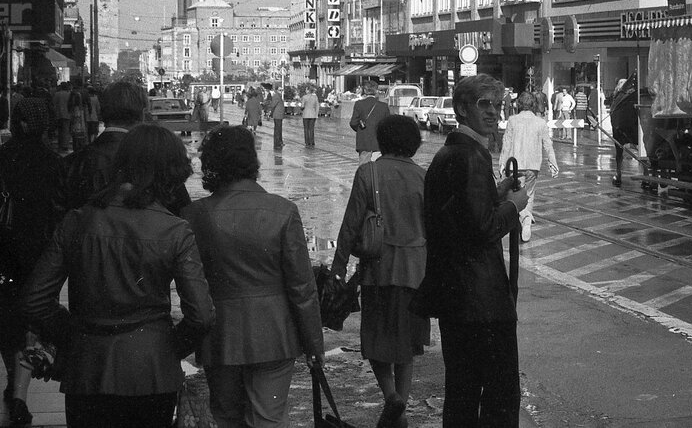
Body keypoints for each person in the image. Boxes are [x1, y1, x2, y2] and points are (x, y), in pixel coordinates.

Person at [21, 125, 214, 428]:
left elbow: (35, 299)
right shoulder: (175, 230)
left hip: (87, 368)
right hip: (151, 371)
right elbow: (202, 315)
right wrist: (166, 346)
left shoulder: (77, 221)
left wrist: (72, 334)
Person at [183, 125, 324, 428]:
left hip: (220, 336)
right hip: (274, 334)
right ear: (252, 161)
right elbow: (302, 288)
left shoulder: (194, 215)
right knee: (268, 418)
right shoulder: (283, 211)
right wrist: (314, 344)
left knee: (227, 417)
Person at [416, 75, 529, 427]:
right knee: (499, 396)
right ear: (462, 108)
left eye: (497, 104)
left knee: (462, 394)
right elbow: (482, 227)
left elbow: (461, 214)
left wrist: (496, 192)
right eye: (484, 105)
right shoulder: (471, 156)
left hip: (456, 300)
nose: (494, 112)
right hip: (482, 303)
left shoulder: (448, 154)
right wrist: (514, 206)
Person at [331, 115, 429, 428]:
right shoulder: (423, 177)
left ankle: (391, 396)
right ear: (414, 143)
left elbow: (350, 225)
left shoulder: (368, 173)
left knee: (376, 339)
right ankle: (401, 406)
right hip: (416, 271)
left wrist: (338, 267)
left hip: (378, 270)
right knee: (407, 344)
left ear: (381, 141)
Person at [0, 99, 64, 428]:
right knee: (33, 323)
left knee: (8, 323)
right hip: (40, 258)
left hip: (4, 256)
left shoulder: (2, 157)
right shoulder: (53, 163)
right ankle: (20, 392)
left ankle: (14, 384)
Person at [63, 81, 191, 215]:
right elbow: (183, 212)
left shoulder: (72, 163)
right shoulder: (160, 158)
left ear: (101, 113)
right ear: (142, 114)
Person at [498, 92, 560, 243]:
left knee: (514, 194)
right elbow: (548, 145)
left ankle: (525, 216)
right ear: (533, 105)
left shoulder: (513, 120)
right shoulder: (540, 122)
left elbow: (506, 143)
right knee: (529, 195)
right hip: (533, 166)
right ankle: (526, 222)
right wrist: (553, 163)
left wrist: (501, 163)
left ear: (519, 104)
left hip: (515, 165)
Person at [350, 82, 390, 164]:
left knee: (364, 170)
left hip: (364, 143)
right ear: (376, 91)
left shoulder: (359, 104)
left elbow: (353, 123)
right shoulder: (384, 106)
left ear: (364, 90)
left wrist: (361, 129)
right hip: (379, 144)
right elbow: (388, 126)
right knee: (378, 170)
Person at [262, 82, 285, 150]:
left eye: (282, 90)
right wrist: (269, 112)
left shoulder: (278, 95)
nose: (281, 91)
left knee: (279, 129)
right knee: (277, 130)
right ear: (276, 90)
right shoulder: (276, 96)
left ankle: (280, 142)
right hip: (277, 115)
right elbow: (273, 105)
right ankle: (277, 143)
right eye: (280, 90)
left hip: (279, 115)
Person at [53, 81, 71, 152]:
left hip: (58, 114)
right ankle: (65, 145)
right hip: (67, 114)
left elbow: (54, 104)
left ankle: (60, 145)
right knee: (66, 130)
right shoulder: (69, 94)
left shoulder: (57, 94)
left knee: (60, 131)